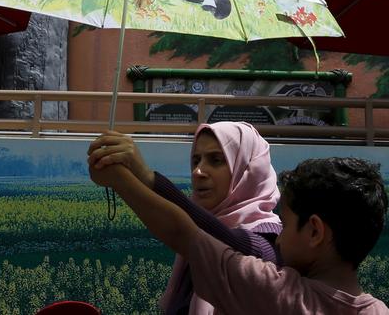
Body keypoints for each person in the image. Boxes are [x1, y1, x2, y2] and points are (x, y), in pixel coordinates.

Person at [88, 151, 389, 315]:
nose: (279, 236)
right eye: (196, 159)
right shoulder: (380, 311)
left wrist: (125, 180)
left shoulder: (276, 291)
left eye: (286, 225)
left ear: (315, 231)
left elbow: (187, 233)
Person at [88, 123, 282, 314]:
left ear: (249, 170)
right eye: (196, 161)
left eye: (216, 160)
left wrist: (140, 178)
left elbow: (196, 234)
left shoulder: (268, 240)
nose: (198, 172)